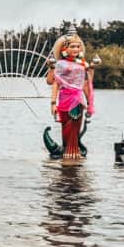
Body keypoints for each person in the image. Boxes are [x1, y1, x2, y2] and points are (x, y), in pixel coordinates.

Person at [46, 30, 94, 160]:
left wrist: (89, 103)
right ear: (65, 48)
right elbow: (53, 82)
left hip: (77, 99)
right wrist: (53, 103)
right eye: (72, 46)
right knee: (65, 125)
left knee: (75, 125)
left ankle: (73, 151)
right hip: (64, 99)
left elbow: (85, 84)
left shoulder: (82, 65)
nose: (76, 49)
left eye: (78, 46)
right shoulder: (61, 64)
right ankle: (67, 149)